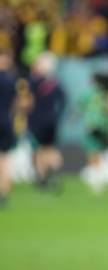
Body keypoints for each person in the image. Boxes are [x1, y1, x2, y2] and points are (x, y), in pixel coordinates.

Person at [27, 52, 66, 191]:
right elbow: (63, 100)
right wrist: (58, 115)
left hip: (37, 119)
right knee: (50, 148)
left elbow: (28, 101)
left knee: (39, 149)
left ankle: (41, 177)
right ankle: (55, 170)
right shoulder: (54, 83)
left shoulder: (33, 82)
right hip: (52, 119)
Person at [0, 49, 17, 207]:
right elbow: (18, 103)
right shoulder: (12, 80)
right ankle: (4, 192)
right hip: (6, 120)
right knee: (5, 159)